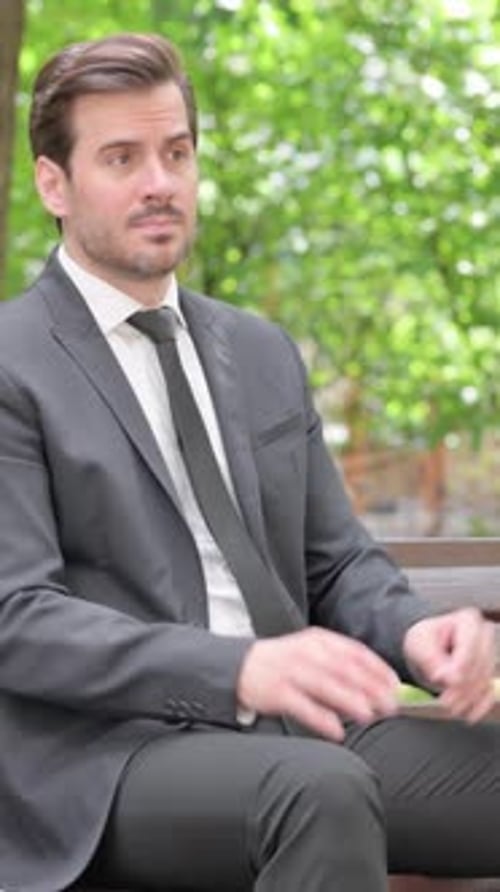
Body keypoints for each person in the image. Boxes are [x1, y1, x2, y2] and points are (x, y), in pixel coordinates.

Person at [0, 32, 498, 892]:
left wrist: (422, 636)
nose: (160, 182)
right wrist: (237, 669)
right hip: (109, 759)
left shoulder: (260, 350)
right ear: (55, 182)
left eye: (176, 152)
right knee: (319, 794)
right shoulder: (13, 362)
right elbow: (18, 616)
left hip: (302, 733)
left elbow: (338, 563)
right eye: (121, 158)